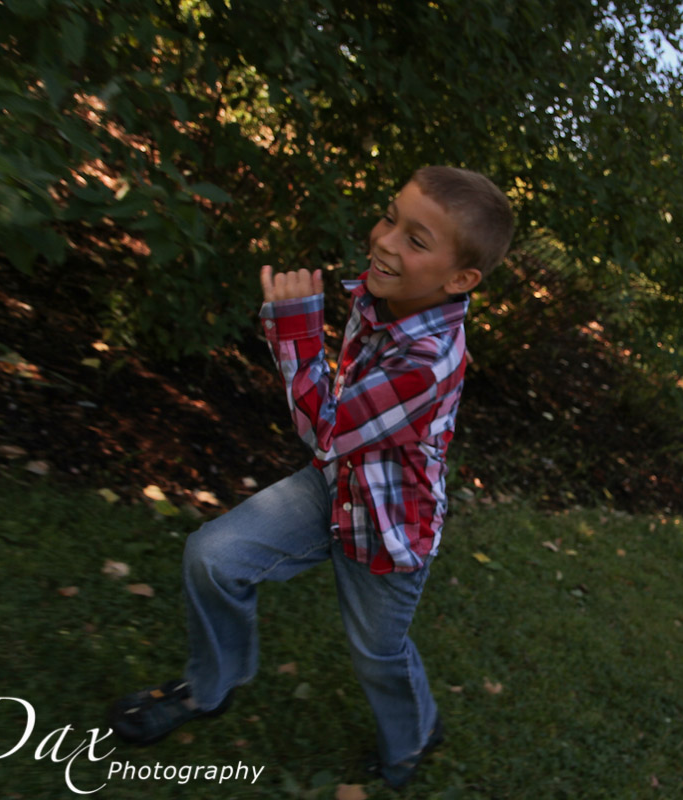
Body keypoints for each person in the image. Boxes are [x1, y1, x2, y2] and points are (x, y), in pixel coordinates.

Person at [107, 166, 514, 789]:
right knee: (214, 557)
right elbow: (337, 425)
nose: (385, 240)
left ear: (460, 280)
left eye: (416, 239)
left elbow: (325, 428)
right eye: (389, 217)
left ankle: (414, 737)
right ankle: (212, 687)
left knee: (378, 653)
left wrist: (295, 327)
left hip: (390, 530)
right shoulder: (378, 296)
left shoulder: (429, 361)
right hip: (336, 484)